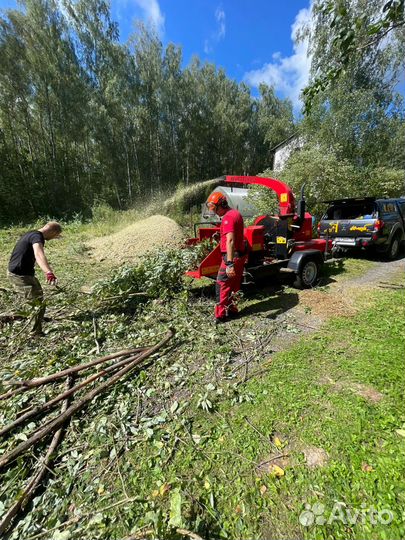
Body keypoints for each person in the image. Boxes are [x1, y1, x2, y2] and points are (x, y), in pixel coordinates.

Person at [7, 221, 62, 335]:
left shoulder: (32, 234)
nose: (53, 238)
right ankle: (35, 333)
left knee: (39, 297)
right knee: (36, 304)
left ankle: (36, 320)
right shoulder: (37, 237)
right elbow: (38, 253)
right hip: (19, 275)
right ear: (52, 231)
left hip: (26, 274)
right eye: (55, 236)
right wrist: (48, 272)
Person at [206, 192, 247, 324]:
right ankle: (233, 309)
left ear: (222, 205)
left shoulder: (228, 218)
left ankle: (221, 315)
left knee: (221, 284)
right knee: (234, 284)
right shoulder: (235, 213)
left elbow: (230, 241)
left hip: (232, 257)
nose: (215, 212)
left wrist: (229, 263)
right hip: (240, 255)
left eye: (214, 209)